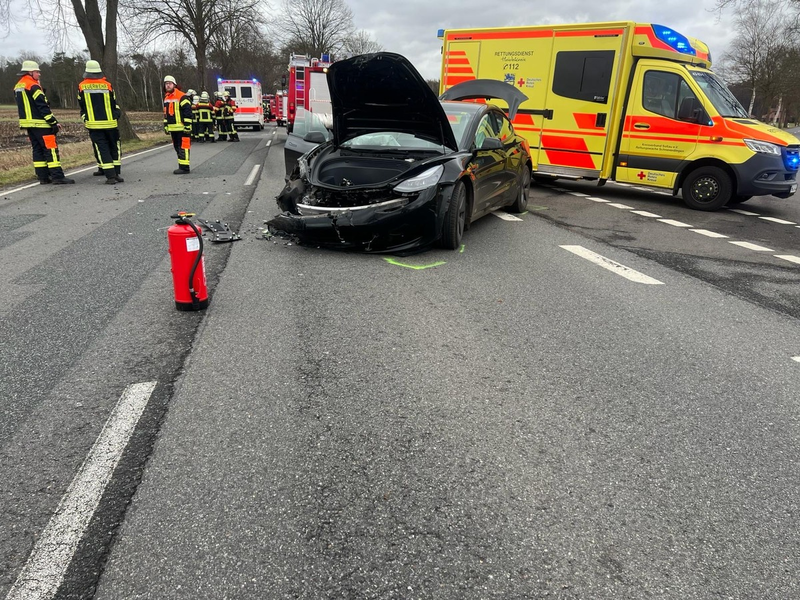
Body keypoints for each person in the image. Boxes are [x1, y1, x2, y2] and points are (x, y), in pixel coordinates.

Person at [13, 60, 75, 184]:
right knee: (50, 149)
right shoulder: (33, 86)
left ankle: (43, 177)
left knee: (37, 150)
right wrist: (53, 122)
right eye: (37, 72)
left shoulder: (18, 86)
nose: (39, 74)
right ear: (30, 72)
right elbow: (43, 106)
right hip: (41, 124)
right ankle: (57, 176)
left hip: (29, 124)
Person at [78, 60, 123, 185]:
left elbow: (82, 105)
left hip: (94, 125)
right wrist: (116, 115)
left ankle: (110, 176)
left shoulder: (82, 86)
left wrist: (85, 118)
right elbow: (114, 103)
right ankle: (116, 174)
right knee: (114, 148)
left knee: (102, 149)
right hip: (111, 123)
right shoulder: (107, 85)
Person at [163, 75, 193, 174]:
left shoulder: (182, 96)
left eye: (170, 83)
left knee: (183, 148)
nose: (168, 85)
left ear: (174, 85)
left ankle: (185, 168)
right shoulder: (166, 98)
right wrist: (166, 126)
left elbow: (187, 112)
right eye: (166, 84)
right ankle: (181, 166)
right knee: (177, 148)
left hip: (182, 128)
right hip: (173, 129)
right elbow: (166, 114)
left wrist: (187, 125)